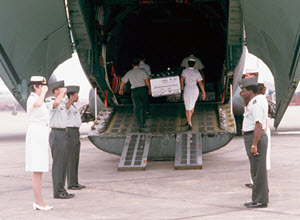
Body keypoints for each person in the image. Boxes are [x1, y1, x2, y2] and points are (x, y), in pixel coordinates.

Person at [239, 77, 269, 208]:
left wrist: (254, 145)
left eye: (243, 90)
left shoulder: (256, 103)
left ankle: (260, 200)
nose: (241, 93)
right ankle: (261, 196)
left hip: (255, 137)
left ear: (250, 91)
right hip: (253, 136)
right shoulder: (254, 101)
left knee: (258, 171)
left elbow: (258, 125)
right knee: (257, 169)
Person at [26, 76, 53, 211]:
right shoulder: (32, 99)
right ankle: (38, 201)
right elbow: (36, 105)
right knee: (37, 169)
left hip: (40, 136)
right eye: (42, 86)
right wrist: (42, 93)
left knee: (40, 170)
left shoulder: (39, 99)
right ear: (36, 86)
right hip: (36, 136)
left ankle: (39, 201)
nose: (45, 88)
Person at [45, 81, 74, 199]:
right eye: (62, 89)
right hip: (57, 134)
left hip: (63, 134)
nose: (64, 90)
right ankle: (57, 191)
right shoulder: (52, 101)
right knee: (58, 164)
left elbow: (64, 106)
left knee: (63, 163)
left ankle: (62, 189)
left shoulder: (61, 103)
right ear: (56, 91)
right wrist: (62, 93)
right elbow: (56, 103)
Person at [119, 58, 151, 132]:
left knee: (137, 108)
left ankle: (139, 126)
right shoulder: (143, 71)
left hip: (135, 91)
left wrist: (121, 90)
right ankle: (143, 123)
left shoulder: (129, 73)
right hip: (143, 90)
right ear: (139, 64)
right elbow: (147, 80)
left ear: (132, 65)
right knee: (144, 106)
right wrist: (149, 89)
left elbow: (122, 82)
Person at [65, 85, 86, 190]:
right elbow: (64, 109)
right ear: (71, 95)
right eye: (76, 94)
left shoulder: (73, 106)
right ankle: (71, 184)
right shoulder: (66, 104)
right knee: (71, 159)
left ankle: (75, 182)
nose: (78, 96)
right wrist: (70, 101)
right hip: (70, 132)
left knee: (75, 158)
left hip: (75, 132)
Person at [180, 59, 206, 130]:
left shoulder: (184, 71)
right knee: (192, 106)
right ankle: (189, 120)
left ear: (188, 64)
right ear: (194, 65)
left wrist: (182, 86)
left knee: (188, 106)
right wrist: (203, 92)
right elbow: (200, 83)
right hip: (195, 89)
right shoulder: (196, 72)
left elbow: (181, 78)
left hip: (188, 88)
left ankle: (189, 123)